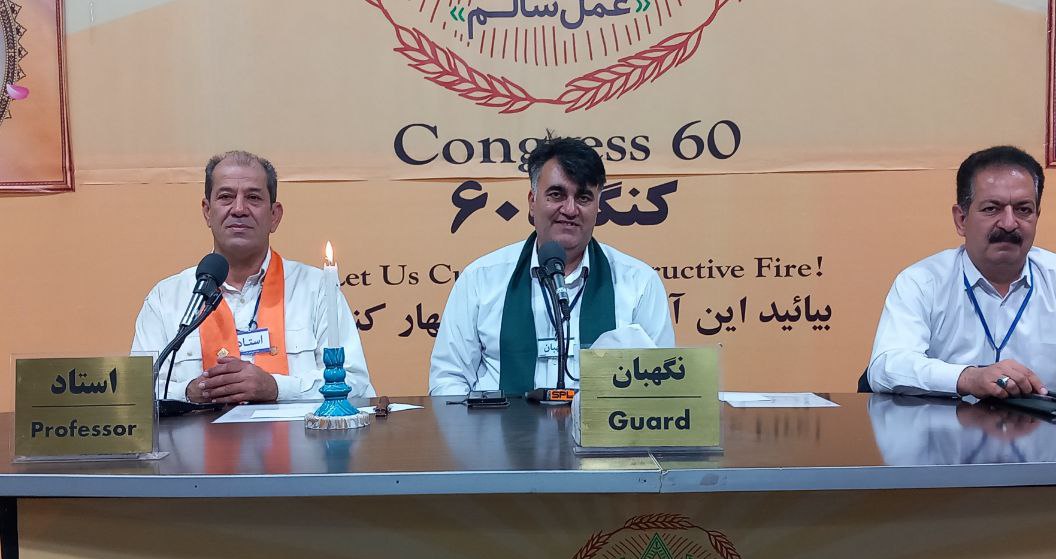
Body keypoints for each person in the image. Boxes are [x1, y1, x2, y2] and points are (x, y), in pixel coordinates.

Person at [867, 145, 1056, 400]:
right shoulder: (922, 282)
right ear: (961, 219)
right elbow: (887, 366)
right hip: (947, 430)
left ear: (1037, 216)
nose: (1009, 223)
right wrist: (967, 377)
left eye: (1023, 210)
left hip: (1045, 432)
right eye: (991, 209)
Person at [429, 135, 674, 396]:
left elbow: (662, 387)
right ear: (532, 201)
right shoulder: (480, 279)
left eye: (583, 198)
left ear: (598, 207)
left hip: (606, 424)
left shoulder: (638, 283)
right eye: (557, 195)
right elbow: (448, 380)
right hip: (499, 424)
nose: (570, 209)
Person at [132, 150, 374, 403]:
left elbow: (355, 383)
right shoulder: (166, 297)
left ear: (274, 215)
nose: (239, 209)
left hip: (297, 431)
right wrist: (190, 392)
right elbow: (137, 393)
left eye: (253, 198)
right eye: (226, 197)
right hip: (195, 431)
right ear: (207, 211)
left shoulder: (316, 288)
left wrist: (276, 388)